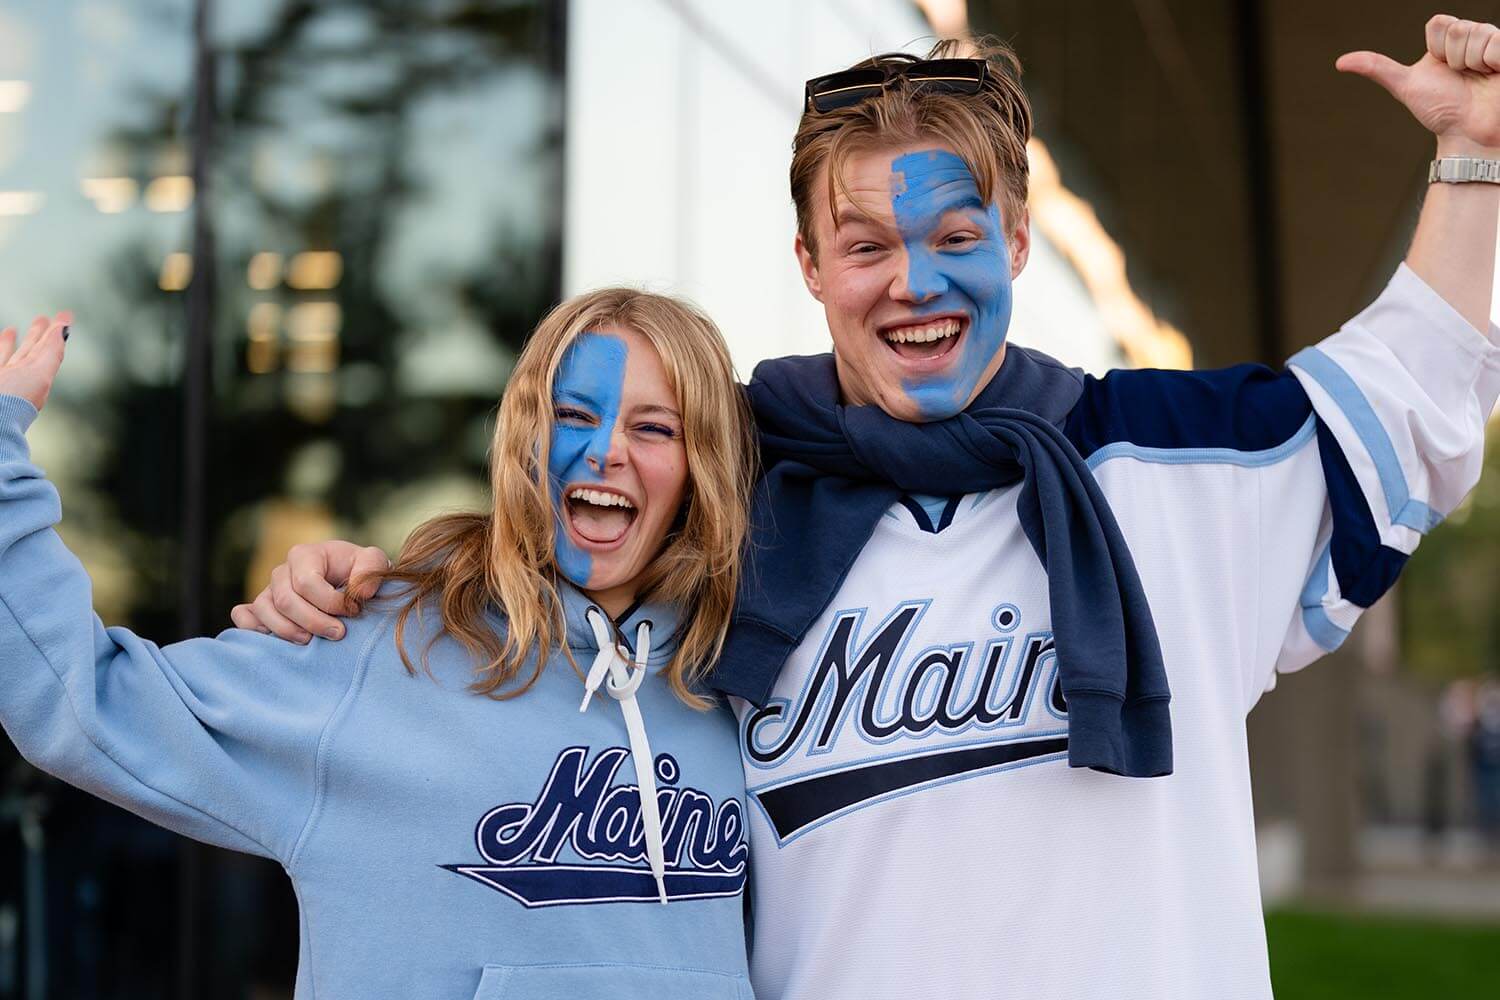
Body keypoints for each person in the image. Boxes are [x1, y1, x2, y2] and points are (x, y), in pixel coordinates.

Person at [245, 14, 1500, 1000]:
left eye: (955, 232)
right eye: (865, 246)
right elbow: (556, 556)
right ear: (810, 267)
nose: (915, 283)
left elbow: (1411, 388)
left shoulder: (1178, 469)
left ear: (1015, 238)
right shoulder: (733, 498)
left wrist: (1470, 159)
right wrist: (368, 591)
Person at [0, 289, 760, 999]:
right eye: (572, 415)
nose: (606, 452)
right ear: (525, 439)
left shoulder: (742, 680)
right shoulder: (382, 649)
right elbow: (88, 705)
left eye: (654, 427)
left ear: (703, 469)